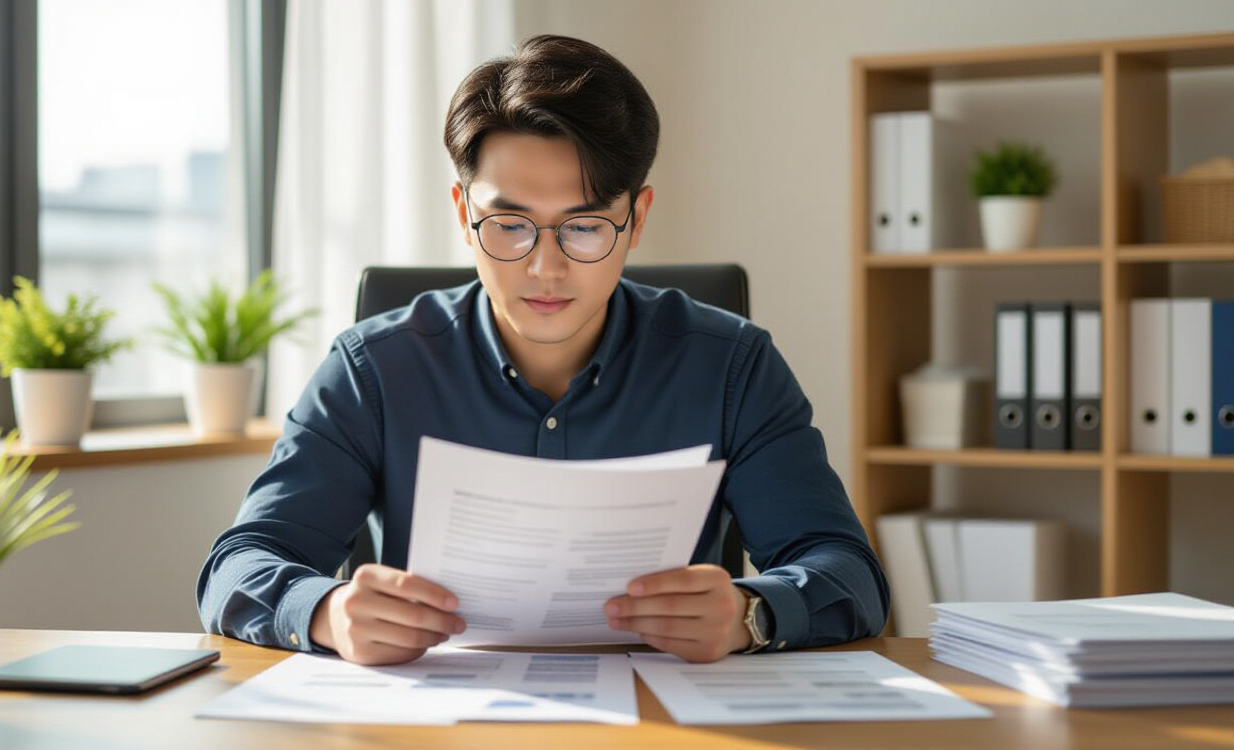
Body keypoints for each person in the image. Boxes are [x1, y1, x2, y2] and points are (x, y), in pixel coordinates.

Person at [197, 34, 888, 666]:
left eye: (584, 226)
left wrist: (752, 613)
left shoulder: (732, 365)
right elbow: (240, 564)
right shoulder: (372, 368)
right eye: (509, 223)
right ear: (462, 214)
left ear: (637, 218)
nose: (545, 268)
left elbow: (847, 571)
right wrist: (326, 612)